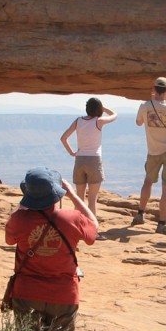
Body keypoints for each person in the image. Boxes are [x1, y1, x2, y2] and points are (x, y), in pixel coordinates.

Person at [4, 166, 98, 331]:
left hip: (26, 293)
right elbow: (93, 229)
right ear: (58, 193)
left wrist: (24, 204)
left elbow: (9, 239)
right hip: (63, 294)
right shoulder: (71, 218)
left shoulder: (19, 219)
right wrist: (72, 194)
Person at [60, 97, 117, 239]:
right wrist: (105, 108)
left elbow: (63, 138)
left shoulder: (79, 121)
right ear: (98, 109)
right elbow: (114, 115)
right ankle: (92, 232)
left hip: (79, 160)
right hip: (94, 161)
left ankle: (77, 230)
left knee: (79, 199)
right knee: (92, 199)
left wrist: (72, 152)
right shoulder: (98, 122)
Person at [134, 76, 166, 235]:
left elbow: (138, 123)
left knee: (148, 182)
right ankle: (162, 224)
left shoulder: (144, 106)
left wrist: (151, 103)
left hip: (152, 152)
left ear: (154, 89)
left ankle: (140, 214)